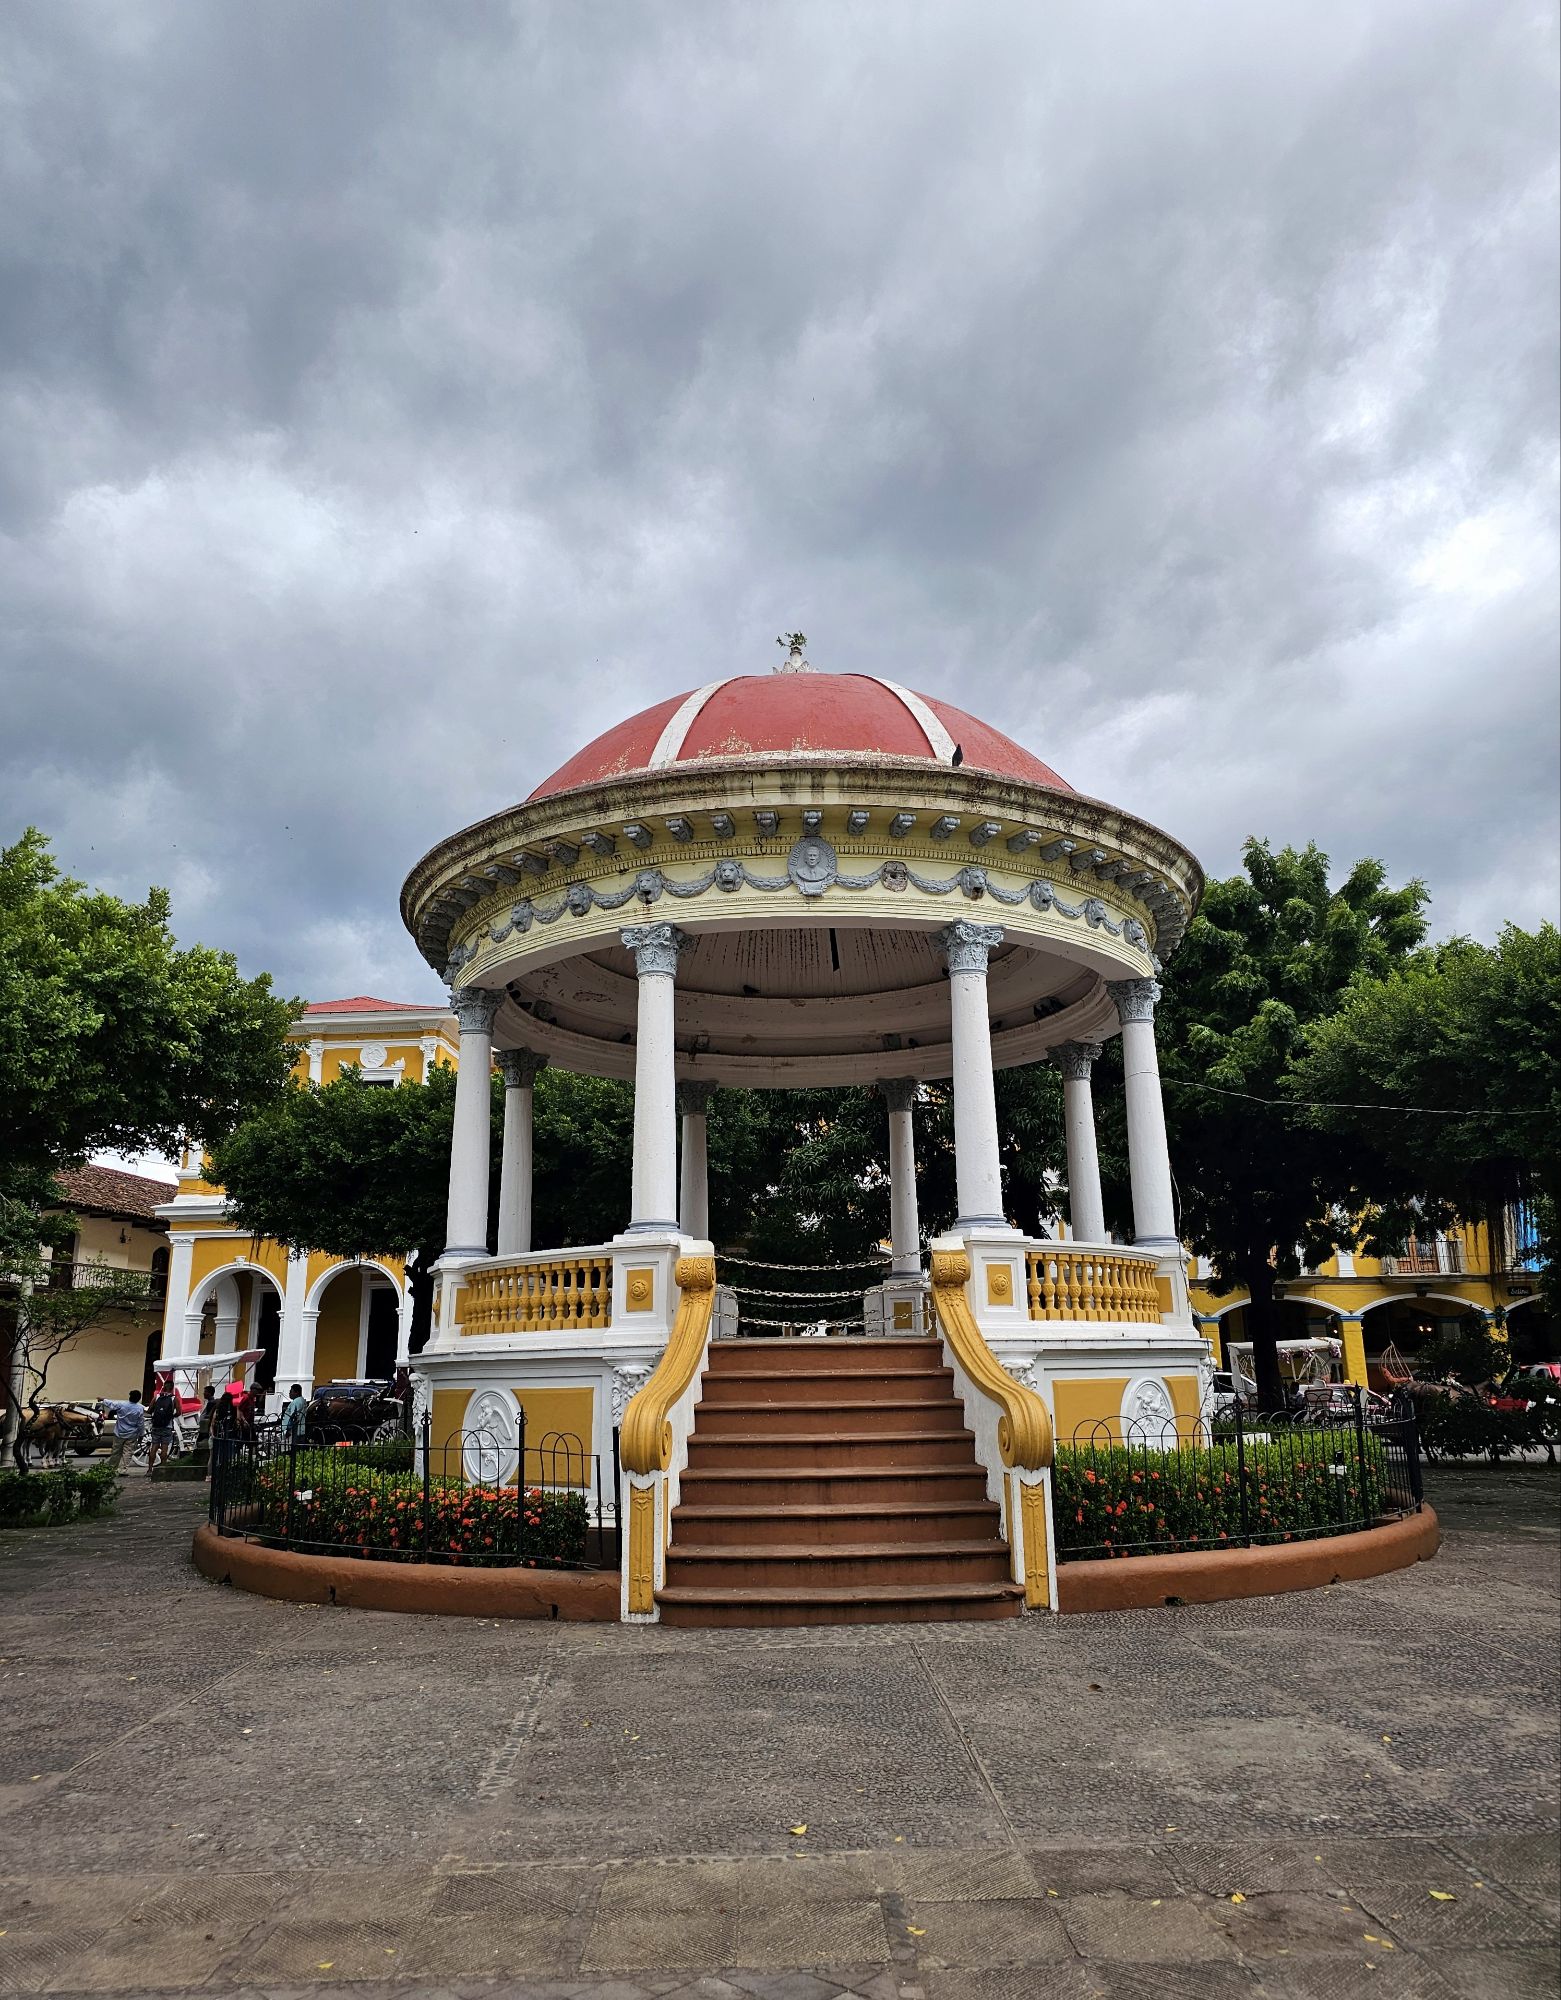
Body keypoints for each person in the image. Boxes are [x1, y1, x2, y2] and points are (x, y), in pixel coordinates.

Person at [100, 1389, 146, 1469]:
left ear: (130, 1397)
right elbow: (140, 1423)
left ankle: (112, 1468)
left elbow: (111, 1404)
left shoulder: (122, 1405)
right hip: (132, 1434)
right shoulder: (140, 1408)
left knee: (116, 1451)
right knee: (127, 1452)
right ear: (139, 1398)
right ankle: (123, 1469)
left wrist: (103, 1400)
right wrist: (142, 1434)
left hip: (119, 1432)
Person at [147, 1376, 179, 1471]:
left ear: (164, 1387)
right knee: (164, 1449)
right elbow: (179, 1412)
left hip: (156, 1426)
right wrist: (170, 1416)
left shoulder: (157, 1397)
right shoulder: (174, 1398)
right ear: (172, 1388)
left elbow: (149, 1410)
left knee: (154, 1448)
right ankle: (162, 1469)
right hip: (167, 1426)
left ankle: (150, 1469)